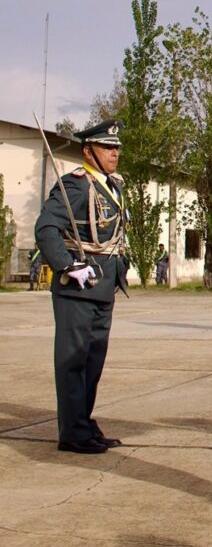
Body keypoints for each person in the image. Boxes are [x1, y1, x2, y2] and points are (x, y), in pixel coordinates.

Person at [34, 120, 129, 454]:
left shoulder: (113, 185)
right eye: (107, 147)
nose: (114, 153)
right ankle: (72, 432)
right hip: (78, 287)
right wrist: (67, 264)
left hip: (103, 286)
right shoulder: (75, 185)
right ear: (89, 151)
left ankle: (83, 422)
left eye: (116, 147)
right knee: (73, 360)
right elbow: (46, 228)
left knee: (93, 361)